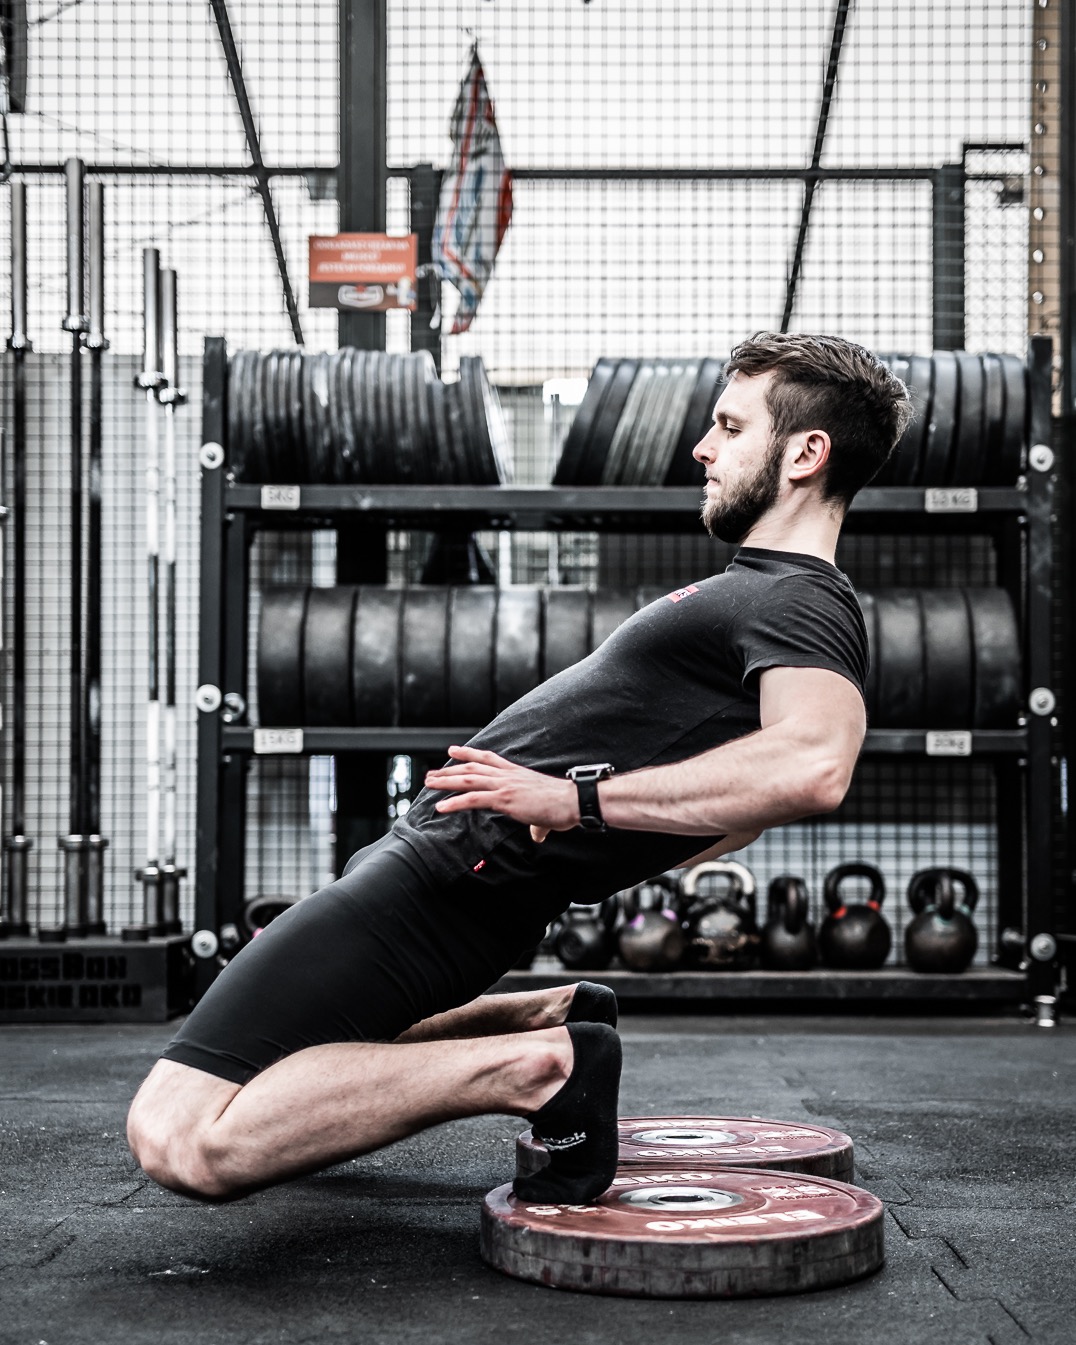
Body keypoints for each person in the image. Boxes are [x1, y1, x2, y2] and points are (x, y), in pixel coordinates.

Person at [127, 331, 910, 1205]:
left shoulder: (796, 597)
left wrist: (575, 802)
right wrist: (583, 842)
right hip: (463, 878)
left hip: (445, 880)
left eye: (730, 427)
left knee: (181, 1136)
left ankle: (539, 1065)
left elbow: (813, 764)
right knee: (285, 1062)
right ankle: (549, 1018)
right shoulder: (766, 588)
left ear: (805, 454)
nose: (703, 447)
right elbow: (743, 815)